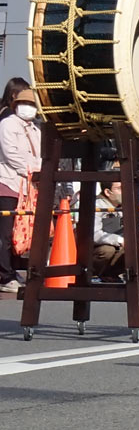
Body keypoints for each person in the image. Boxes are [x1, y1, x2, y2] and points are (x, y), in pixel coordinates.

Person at [0, 88, 41, 292]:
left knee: (21, 231)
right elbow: (10, 154)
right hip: (8, 181)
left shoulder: (35, 129)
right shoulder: (7, 125)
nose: (30, 108)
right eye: (27, 104)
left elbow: (41, 155)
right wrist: (32, 167)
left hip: (28, 186)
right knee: (5, 233)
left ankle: (13, 270)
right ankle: (4, 275)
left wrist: (36, 167)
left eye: (33, 105)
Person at [94, 181, 139, 280]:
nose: (124, 191)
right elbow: (94, 234)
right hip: (98, 246)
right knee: (107, 251)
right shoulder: (97, 206)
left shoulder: (125, 205)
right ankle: (98, 274)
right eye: (119, 188)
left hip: (120, 244)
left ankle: (116, 275)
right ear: (108, 192)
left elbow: (136, 226)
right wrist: (119, 240)